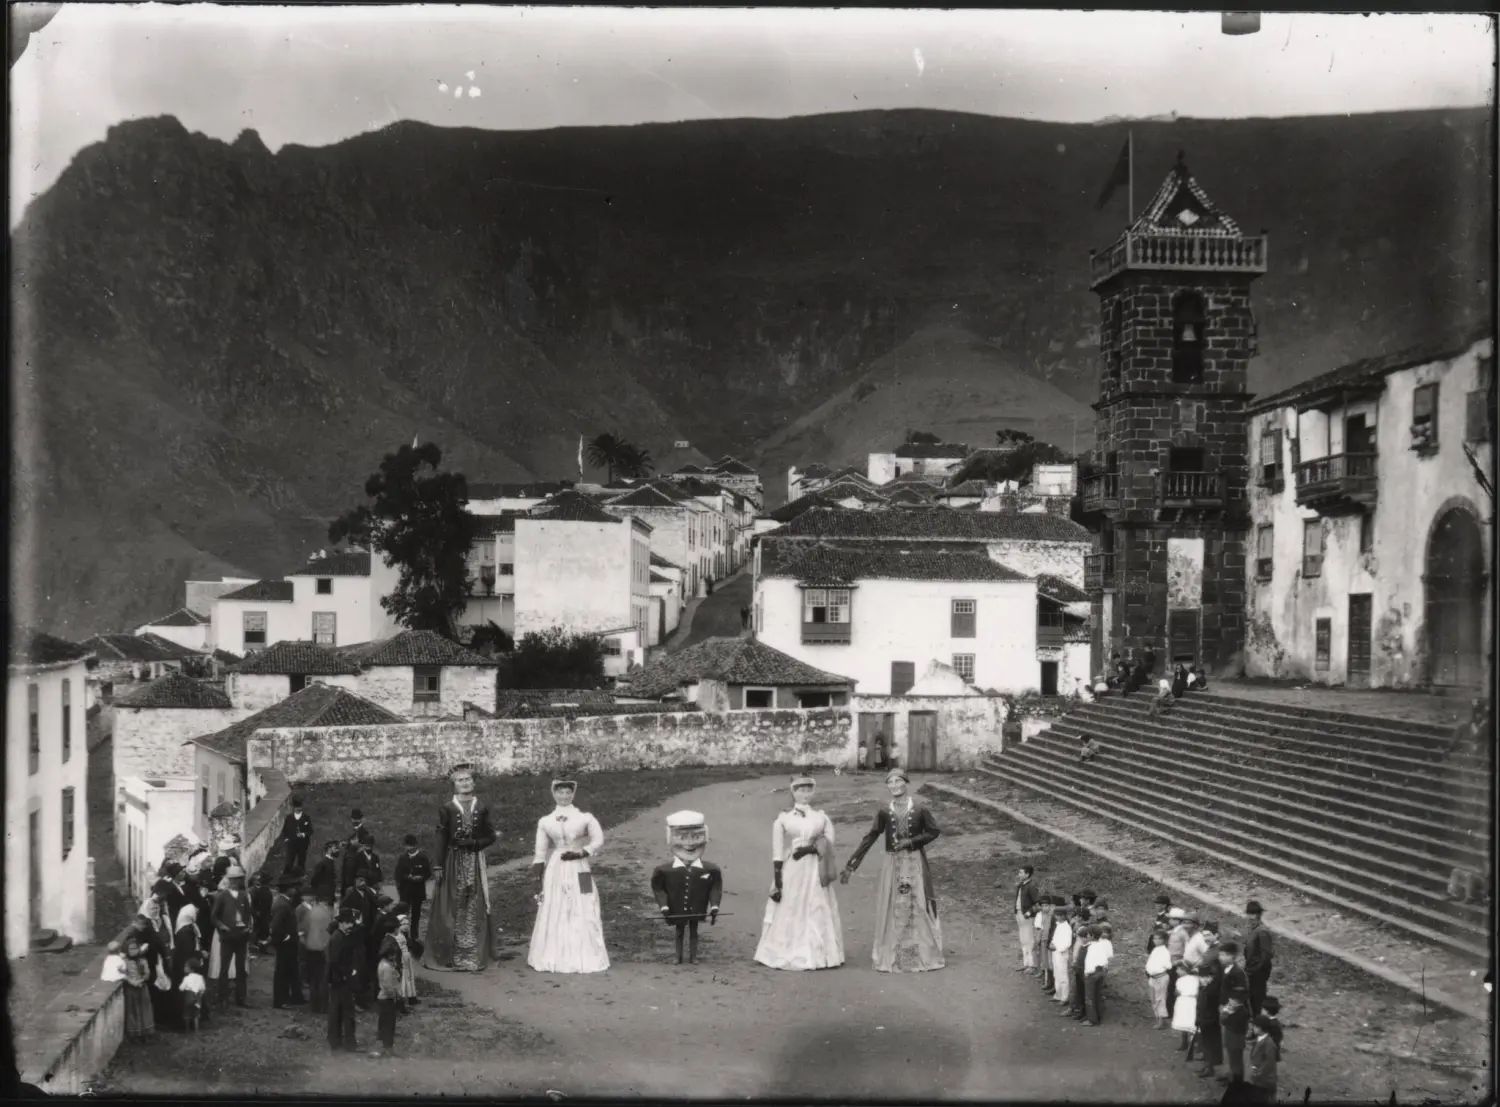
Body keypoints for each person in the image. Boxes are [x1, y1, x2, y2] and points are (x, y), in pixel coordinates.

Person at [842, 768, 944, 973]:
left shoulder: (920, 809)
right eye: (890, 782)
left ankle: (921, 953)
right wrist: (852, 864)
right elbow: (871, 836)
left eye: (898, 781)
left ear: (906, 783)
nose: (895, 785)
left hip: (914, 861)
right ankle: (895, 952)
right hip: (893, 862)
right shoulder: (884, 812)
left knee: (918, 903)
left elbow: (934, 831)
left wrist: (912, 841)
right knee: (893, 904)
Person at [756, 775, 844, 971]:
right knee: (791, 903)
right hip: (794, 867)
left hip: (815, 866)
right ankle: (787, 949)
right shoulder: (784, 819)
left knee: (817, 904)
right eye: (801, 790)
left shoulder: (821, 817)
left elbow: (829, 843)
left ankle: (819, 952)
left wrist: (809, 850)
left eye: (809, 790)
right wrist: (778, 881)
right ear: (793, 792)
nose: (805, 794)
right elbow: (777, 851)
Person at [527, 779, 609, 973]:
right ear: (553, 794)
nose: (564, 796)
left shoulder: (584, 818)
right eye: (560, 792)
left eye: (568, 793)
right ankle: (554, 954)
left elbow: (598, 839)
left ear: (573, 794)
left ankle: (587, 952)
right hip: (556, 866)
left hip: (580, 866)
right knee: (555, 902)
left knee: (586, 898)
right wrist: (537, 875)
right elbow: (540, 851)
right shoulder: (546, 821)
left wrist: (582, 852)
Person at [423, 763, 499, 972]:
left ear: (473, 782)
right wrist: (437, 865)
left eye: (467, 779)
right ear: (453, 784)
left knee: (474, 900)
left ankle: (472, 952)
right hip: (453, 860)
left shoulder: (481, 807)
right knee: (453, 901)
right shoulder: (448, 808)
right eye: (460, 780)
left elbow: (491, 835)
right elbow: (441, 836)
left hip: (474, 860)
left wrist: (475, 844)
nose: (464, 783)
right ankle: (452, 953)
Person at [651, 810, 723, 966]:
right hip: (676, 908)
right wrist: (664, 905)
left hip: (697, 907)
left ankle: (693, 956)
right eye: (682, 837)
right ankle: (678, 957)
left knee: (694, 931)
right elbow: (658, 888)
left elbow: (715, 888)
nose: (689, 844)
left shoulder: (711, 869)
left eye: (696, 837)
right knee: (679, 931)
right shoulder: (664, 870)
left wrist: (715, 905)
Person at [210, 864, 253, 1008]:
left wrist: (248, 927)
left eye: (238, 879)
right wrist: (222, 926)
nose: (235, 882)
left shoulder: (243, 896)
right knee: (224, 967)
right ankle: (222, 997)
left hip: (241, 935)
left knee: (241, 968)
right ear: (228, 880)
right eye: (233, 880)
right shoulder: (222, 896)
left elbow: (248, 914)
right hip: (227, 937)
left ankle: (241, 998)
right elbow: (214, 917)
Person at [326, 908, 361, 1053]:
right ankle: (349, 1043)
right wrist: (346, 974)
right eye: (347, 923)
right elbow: (334, 961)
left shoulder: (340, 936)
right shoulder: (338, 938)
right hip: (341, 980)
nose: (350, 926)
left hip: (337, 979)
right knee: (346, 1011)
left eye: (352, 923)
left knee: (337, 1010)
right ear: (340, 923)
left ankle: (336, 1041)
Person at [1218, 941, 1252, 1086]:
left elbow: (1238, 998)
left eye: (1224, 955)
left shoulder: (1237, 973)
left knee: (1235, 1048)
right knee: (1229, 1046)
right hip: (1229, 1014)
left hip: (1236, 1015)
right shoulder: (1227, 970)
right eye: (1220, 954)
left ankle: (1237, 1079)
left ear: (1233, 956)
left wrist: (1225, 1011)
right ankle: (1232, 1073)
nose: (1221, 957)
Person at [270, 875, 306, 1009]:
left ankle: (290, 997)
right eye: (293, 887)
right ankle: (280, 1000)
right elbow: (276, 926)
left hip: (288, 942)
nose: (295, 890)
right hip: (285, 944)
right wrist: (286, 937)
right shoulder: (282, 904)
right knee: (282, 971)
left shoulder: (284, 902)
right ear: (288, 889)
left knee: (288, 969)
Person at [394, 835, 433, 940]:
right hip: (405, 891)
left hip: (417, 891)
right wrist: (407, 877)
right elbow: (398, 874)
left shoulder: (423, 858)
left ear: (415, 846)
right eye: (407, 846)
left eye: (410, 846)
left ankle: (414, 936)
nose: (408, 848)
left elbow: (428, 873)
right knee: (403, 914)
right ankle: (403, 935)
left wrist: (421, 878)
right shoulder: (402, 858)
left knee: (416, 915)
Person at [302, 893, 334, 1015]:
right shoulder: (329, 913)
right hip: (323, 948)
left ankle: (314, 1005)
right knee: (323, 978)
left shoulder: (310, 912)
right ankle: (323, 1005)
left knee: (313, 978)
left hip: (310, 947)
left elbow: (304, 928)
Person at [1193, 958, 1224, 1078]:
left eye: (1205, 977)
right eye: (1201, 977)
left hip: (1210, 1021)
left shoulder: (1212, 990)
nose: (1203, 980)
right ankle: (1207, 1066)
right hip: (1204, 1020)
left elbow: (1209, 1007)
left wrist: (1203, 1020)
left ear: (1211, 977)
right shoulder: (1204, 988)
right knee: (1206, 1044)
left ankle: (1210, 1068)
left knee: (1210, 1045)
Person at [1243, 901, 1274, 1015]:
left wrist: (1255, 970)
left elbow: (1266, 955)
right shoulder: (1252, 929)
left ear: (1258, 915)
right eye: (1249, 914)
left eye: (1253, 914)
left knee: (1257, 998)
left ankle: (1260, 1022)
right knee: (1250, 997)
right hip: (1251, 968)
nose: (1250, 917)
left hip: (1259, 971)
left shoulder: (1262, 931)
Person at [121, 939, 156, 1041]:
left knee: (144, 1009)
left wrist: (141, 980)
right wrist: (131, 981)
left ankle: (146, 1032)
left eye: (135, 948)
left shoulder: (142, 960)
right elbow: (122, 974)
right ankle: (134, 1034)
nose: (134, 951)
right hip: (130, 989)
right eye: (131, 949)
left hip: (142, 988)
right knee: (133, 1011)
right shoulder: (124, 962)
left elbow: (147, 973)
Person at [371, 944, 401, 1058]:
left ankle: (385, 1047)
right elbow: (388, 985)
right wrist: (396, 995)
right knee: (388, 1025)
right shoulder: (387, 967)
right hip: (387, 998)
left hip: (383, 997)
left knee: (384, 1024)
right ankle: (387, 1048)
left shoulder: (383, 964)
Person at [1082, 922, 1114, 1026]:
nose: (1087, 936)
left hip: (1092, 973)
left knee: (1090, 996)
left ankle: (1092, 1019)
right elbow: (1105, 959)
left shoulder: (1091, 947)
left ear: (1091, 935)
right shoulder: (1102, 945)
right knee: (1098, 994)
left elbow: (1089, 962)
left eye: (1087, 934)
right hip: (1101, 972)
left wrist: (1087, 973)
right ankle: (1099, 1015)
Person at [339, 809, 376, 898]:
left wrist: (355, 845)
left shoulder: (363, 832)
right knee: (346, 884)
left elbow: (364, 847)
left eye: (357, 819)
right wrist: (346, 844)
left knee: (351, 884)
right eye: (354, 819)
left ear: (361, 819)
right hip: (348, 862)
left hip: (355, 863)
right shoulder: (351, 831)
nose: (355, 821)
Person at [1245, 1014, 1280, 1104]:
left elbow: (1269, 1064)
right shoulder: (1260, 1039)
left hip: (1265, 1081)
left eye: (1255, 1027)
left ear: (1260, 1028)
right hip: (1259, 1080)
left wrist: (1257, 1074)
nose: (1253, 1028)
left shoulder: (1269, 1044)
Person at [1011, 864, 1038, 973]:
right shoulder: (1022, 885)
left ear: (1027, 874)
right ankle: (1026, 963)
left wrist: (1029, 912)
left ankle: (1032, 965)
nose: (1019, 875)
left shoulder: (1031, 886)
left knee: (1029, 939)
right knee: (1023, 939)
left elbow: (1037, 903)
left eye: (1021, 873)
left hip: (1025, 915)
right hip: (1019, 913)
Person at [1171, 951, 1201, 1050]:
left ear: (1184, 969)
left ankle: (1188, 1043)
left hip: (1188, 1002)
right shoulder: (1194, 979)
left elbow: (1177, 992)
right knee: (1187, 1021)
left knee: (1189, 1021)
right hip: (1186, 1001)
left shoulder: (1192, 979)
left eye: (1178, 969)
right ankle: (1190, 1043)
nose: (1177, 971)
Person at [279, 795, 314, 876]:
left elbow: (310, 830)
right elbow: (285, 830)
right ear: (294, 808)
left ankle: (300, 877)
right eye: (297, 808)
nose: (299, 809)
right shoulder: (289, 818)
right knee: (289, 862)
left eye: (300, 808)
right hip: (291, 844)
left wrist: (304, 834)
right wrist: (286, 839)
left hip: (302, 844)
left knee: (301, 862)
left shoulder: (306, 818)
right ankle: (285, 877)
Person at [1049, 903, 1074, 1008]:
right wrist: (1052, 943)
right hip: (1055, 953)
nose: (1057, 917)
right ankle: (1058, 994)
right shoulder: (1058, 925)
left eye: (1059, 915)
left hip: (1062, 954)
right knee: (1056, 974)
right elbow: (1055, 938)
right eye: (1056, 915)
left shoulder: (1066, 927)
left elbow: (1067, 943)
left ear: (1064, 916)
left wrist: (1057, 947)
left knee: (1063, 976)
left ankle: (1065, 997)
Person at [1147, 928, 1173, 1029]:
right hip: (1153, 978)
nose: (1155, 940)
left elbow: (1168, 965)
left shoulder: (1165, 951)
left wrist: (1158, 969)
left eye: (1158, 939)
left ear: (1164, 940)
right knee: (1153, 999)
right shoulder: (1155, 950)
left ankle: (1161, 1022)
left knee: (1160, 999)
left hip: (1160, 977)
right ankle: (1159, 1018)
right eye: (1154, 938)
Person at [178, 956, 206, 1032]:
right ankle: (196, 1029)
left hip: (188, 998)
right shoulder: (200, 978)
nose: (184, 967)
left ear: (191, 969)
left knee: (187, 1014)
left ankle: (187, 1029)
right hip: (198, 999)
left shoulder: (186, 978)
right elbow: (203, 988)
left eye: (186, 966)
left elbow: (181, 988)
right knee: (196, 1015)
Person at [309, 840, 341, 906]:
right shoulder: (322, 864)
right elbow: (314, 881)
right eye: (335, 848)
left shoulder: (331, 862)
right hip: (323, 898)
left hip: (329, 897)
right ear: (329, 849)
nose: (338, 850)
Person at [250, 872, 274, 954]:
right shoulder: (266, 891)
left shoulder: (259, 891)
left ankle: (260, 947)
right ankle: (261, 948)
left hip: (261, 913)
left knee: (260, 930)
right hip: (263, 914)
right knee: (262, 931)